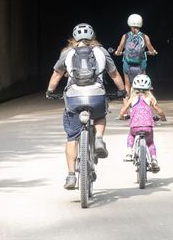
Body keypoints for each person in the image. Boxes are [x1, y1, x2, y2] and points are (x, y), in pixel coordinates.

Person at [45, 23, 127, 191]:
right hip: (95, 96)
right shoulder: (102, 52)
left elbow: (57, 73)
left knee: (71, 138)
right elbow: (114, 74)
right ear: (93, 37)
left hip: (74, 98)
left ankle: (71, 176)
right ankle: (98, 140)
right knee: (100, 113)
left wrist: (50, 91)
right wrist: (122, 90)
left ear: (73, 38)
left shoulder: (67, 53)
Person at [118, 73, 165, 173]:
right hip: (148, 127)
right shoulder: (150, 99)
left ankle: (129, 152)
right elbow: (159, 111)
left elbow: (122, 111)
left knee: (131, 135)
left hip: (135, 127)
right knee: (150, 142)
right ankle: (154, 159)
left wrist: (122, 117)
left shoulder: (132, 99)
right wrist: (162, 117)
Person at [114, 13, 158, 96]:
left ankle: (127, 105)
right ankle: (143, 103)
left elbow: (120, 48)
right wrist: (153, 52)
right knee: (143, 86)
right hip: (140, 65)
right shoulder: (145, 36)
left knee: (127, 86)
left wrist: (118, 52)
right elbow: (150, 48)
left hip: (127, 64)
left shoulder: (125, 36)